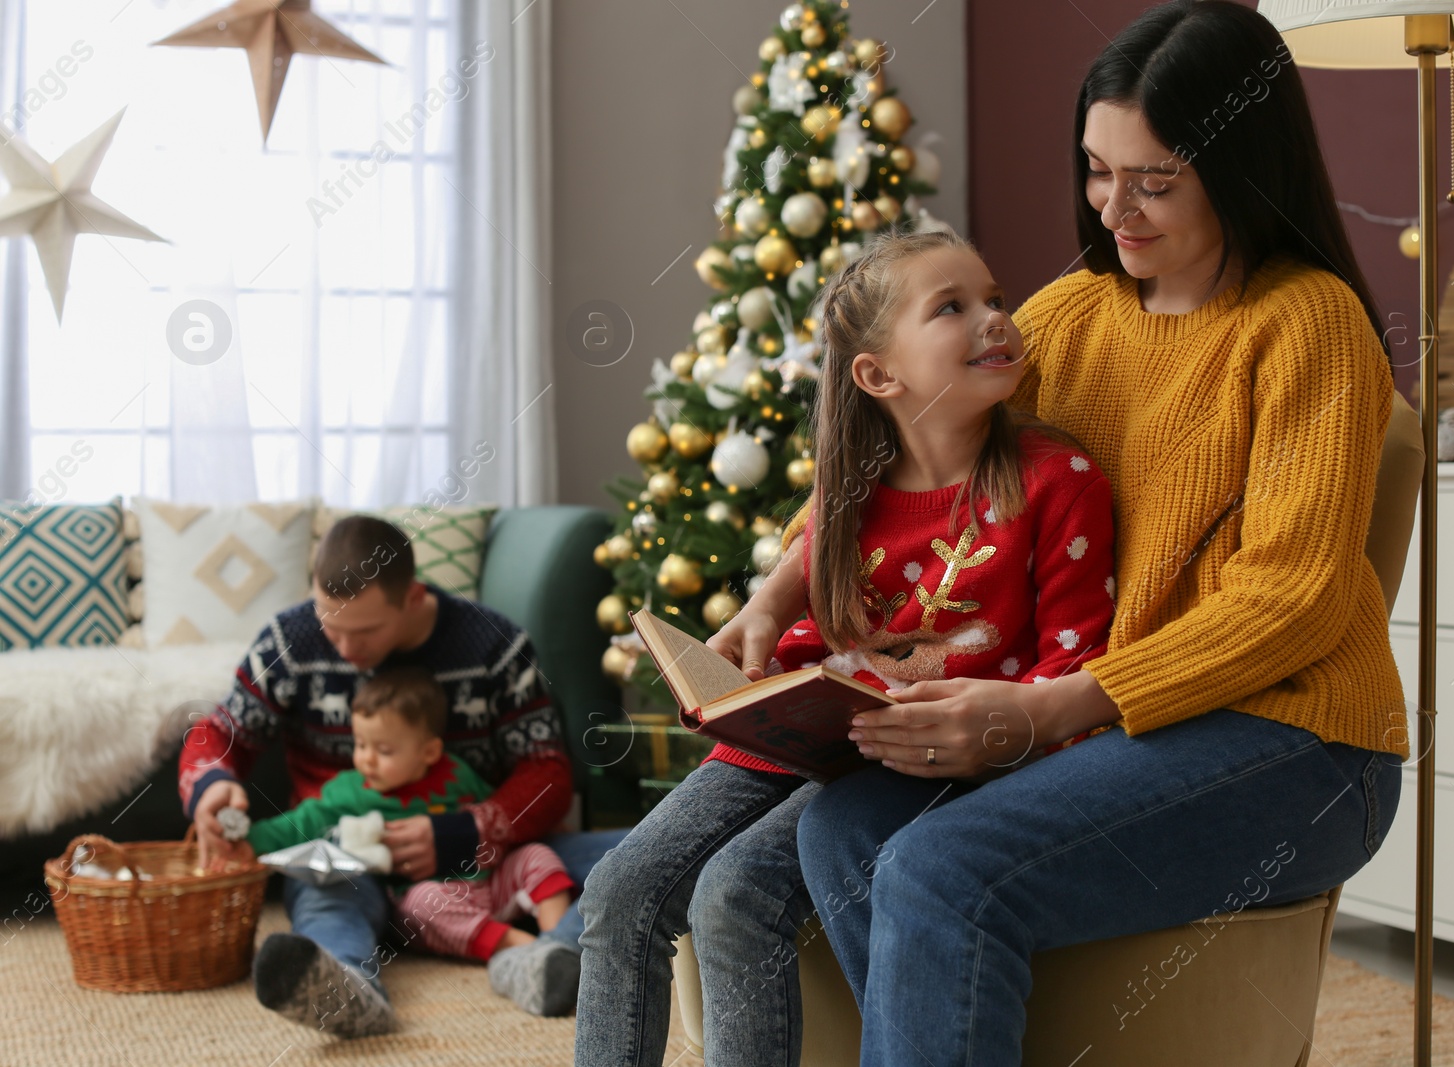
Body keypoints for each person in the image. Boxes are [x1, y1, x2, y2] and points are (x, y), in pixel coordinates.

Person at [713, 3, 1411, 1063]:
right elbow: (916, 428)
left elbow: (1293, 600)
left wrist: (1043, 711)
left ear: (1239, 163)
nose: (1114, 207)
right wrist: (775, 591)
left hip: (1299, 744)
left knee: (940, 865)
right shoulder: (1076, 312)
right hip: (1112, 722)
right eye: (1096, 169)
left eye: (1154, 179)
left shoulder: (1308, 323)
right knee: (843, 830)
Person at [574, 228, 1117, 1067]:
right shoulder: (852, 481)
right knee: (617, 889)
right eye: (953, 308)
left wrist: (1002, 732)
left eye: (996, 298)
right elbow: (812, 571)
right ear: (878, 374)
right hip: (799, 726)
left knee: (733, 894)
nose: (996, 320)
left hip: (919, 760)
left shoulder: (1058, 479)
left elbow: (1074, 664)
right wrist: (760, 624)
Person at [182, 515, 615, 1036]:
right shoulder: (289, 640)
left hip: (483, 862)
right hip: (348, 860)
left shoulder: (495, 646)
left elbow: (547, 773)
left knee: (637, 852)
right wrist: (211, 783)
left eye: (364, 632)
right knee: (324, 897)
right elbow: (217, 732)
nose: (344, 648)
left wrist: (466, 832)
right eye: (330, 625)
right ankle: (348, 987)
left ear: (413, 597)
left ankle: (554, 958)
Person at [243, 666, 576, 1019]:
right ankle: (522, 949)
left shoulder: (456, 775)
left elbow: (500, 816)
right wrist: (248, 840)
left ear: (429, 752)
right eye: (360, 745)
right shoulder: (349, 792)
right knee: (421, 902)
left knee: (538, 854)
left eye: (383, 750)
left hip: (490, 881)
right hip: (436, 902)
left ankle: (557, 943)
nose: (366, 759)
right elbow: (301, 822)